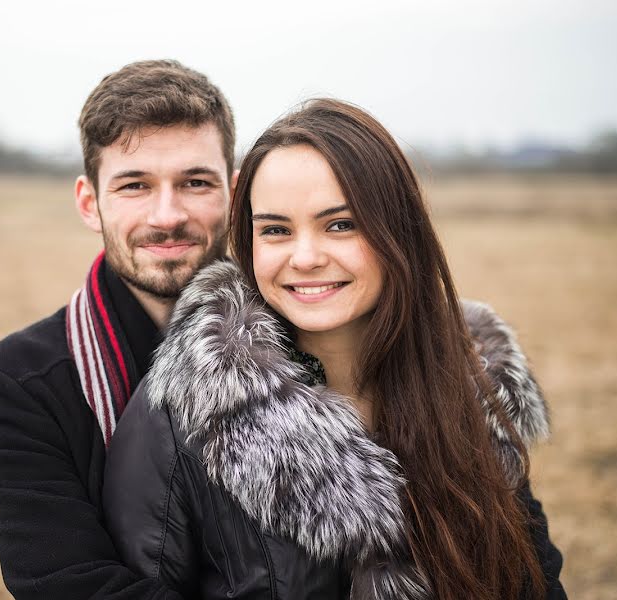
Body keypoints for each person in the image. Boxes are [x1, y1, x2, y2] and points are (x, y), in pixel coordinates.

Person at [103, 99, 567, 599]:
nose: (305, 257)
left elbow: (533, 581)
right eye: (276, 230)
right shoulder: (183, 412)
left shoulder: (475, 388)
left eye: (340, 224)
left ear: (399, 232)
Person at [0, 59, 236, 599]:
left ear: (235, 188)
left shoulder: (305, 333)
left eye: (195, 182)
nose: (167, 214)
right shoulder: (16, 385)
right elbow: (71, 585)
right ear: (90, 203)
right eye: (135, 185)